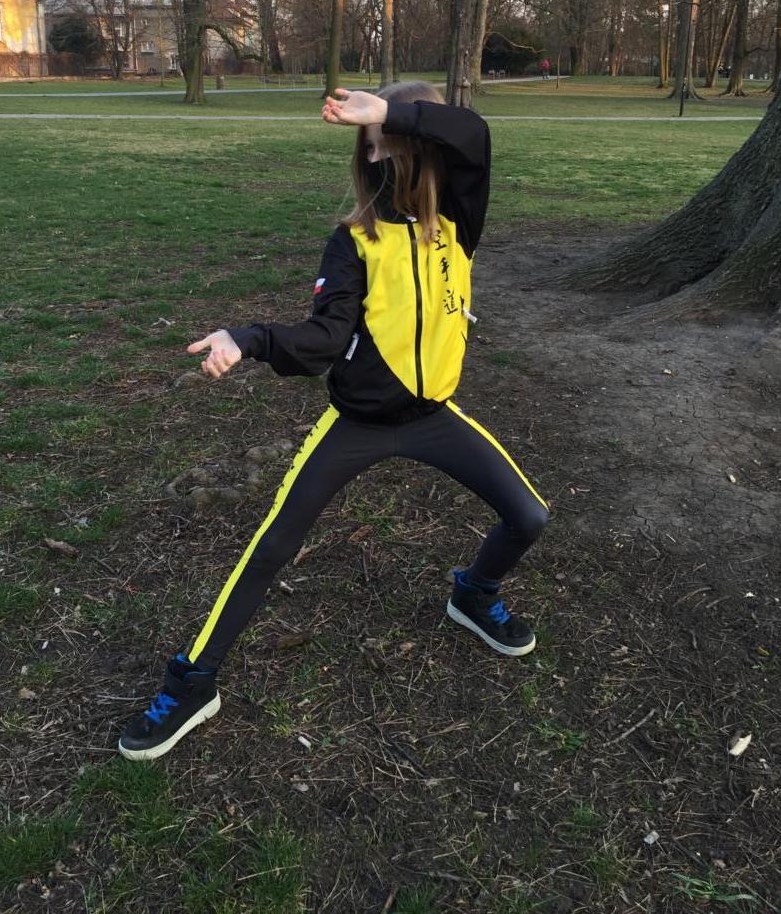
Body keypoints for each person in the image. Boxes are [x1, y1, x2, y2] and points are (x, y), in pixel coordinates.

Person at [117, 81, 550, 761]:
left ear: (420, 147)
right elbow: (323, 341)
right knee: (271, 547)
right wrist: (249, 338)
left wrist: (393, 112)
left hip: (435, 416)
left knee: (528, 516)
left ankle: (473, 594)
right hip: (359, 424)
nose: (373, 157)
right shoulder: (354, 242)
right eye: (366, 147)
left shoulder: (458, 222)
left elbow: (475, 136)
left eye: (383, 142)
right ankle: (192, 682)